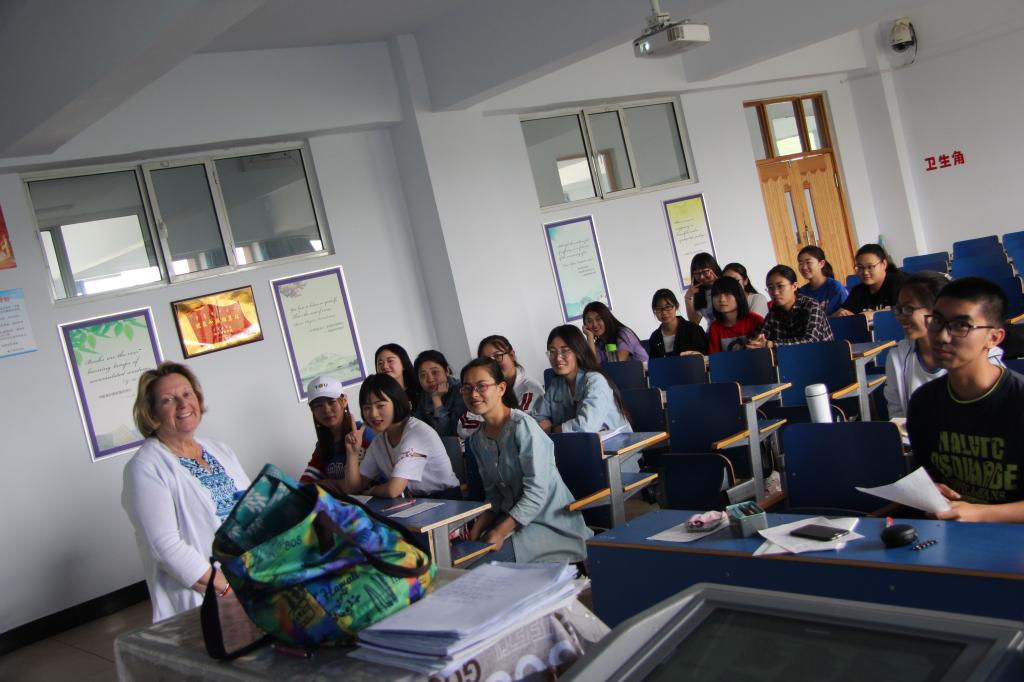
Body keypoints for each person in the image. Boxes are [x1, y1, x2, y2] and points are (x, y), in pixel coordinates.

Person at [122, 362, 251, 622]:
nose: (183, 404)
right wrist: (226, 588)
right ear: (152, 412)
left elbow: (254, 509)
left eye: (187, 393)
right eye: (168, 400)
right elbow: (165, 547)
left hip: (252, 581)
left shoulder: (219, 450)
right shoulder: (145, 467)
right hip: (205, 598)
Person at [907, 277, 1024, 522]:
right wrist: (928, 491)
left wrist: (980, 513)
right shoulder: (924, 402)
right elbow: (928, 474)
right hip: (948, 531)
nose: (942, 336)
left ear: (994, 338)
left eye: (961, 326)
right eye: (937, 321)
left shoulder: (1018, 400)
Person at [461, 358, 591, 563]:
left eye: (481, 386)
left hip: (548, 523)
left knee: (480, 566)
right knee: (463, 561)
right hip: (510, 521)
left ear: (501, 388)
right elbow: (494, 494)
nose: (473, 394)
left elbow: (537, 492)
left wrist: (500, 532)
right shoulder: (477, 440)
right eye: (467, 388)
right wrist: (476, 530)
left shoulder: (523, 427)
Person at [886, 272, 1003, 419]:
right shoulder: (897, 356)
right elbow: (897, 414)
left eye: (908, 309)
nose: (900, 316)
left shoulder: (981, 355)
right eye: (898, 309)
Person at [342, 373, 461, 499]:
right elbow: (353, 489)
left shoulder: (416, 433)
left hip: (447, 501)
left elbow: (393, 490)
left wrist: (372, 491)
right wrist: (352, 453)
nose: (373, 414)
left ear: (396, 402)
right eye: (367, 408)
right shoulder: (379, 441)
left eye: (380, 405)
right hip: (416, 502)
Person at [534, 325, 635, 469]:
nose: (557, 358)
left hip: (614, 461)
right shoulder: (557, 384)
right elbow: (538, 419)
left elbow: (585, 427)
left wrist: (552, 430)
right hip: (578, 455)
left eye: (565, 350)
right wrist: (548, 427)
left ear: (578, 351)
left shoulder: (595, 381)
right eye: (552, 352)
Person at [459, 335, 547, 440]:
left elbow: (521, 425)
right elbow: (463, 425)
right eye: (487, 360)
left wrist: (491, 424)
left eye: (498, 356)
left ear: (512, 355)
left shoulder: (530, 388)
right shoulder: (479, 391)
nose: (493, 364)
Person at [299, 375, 372, 483]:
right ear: (312, 410)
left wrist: (330, 485)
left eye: (331, 402)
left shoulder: (363, 433)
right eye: (319, 405)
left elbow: (372, 480)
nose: (326, 410)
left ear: (344, 400)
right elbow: (305, 483)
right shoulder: (321, 447)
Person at [748, 265, 834, 349]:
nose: (775, 292)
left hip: (821, 355)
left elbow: (811, 340)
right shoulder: (773, 312)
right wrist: (756, 343)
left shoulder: (811, 306)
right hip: (791, 357)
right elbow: (759, 336)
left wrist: (771, 344)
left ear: (794, 286)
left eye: (780, 286)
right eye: (770, 288)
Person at [836, 243, 906, 316]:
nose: (865, 272)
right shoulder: (858, 291)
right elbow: (842, 312)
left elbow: (904, 309)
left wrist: (872, 315)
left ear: (884, 264)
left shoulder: (901, 283)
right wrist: (842, 313)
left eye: (870, 267)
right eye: (860, 267)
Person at [412, 350, 465, 437]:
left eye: (435, 372)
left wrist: (436, 400)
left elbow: (449, 433)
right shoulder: (425, 395)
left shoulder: (461, 390)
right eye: (423, 375)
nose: (430, 379)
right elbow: (417, 427)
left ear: (447, 371)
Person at [707, 276, 764, 353]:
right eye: (716, 295)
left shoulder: (755, 320)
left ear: (738, 296)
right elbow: (715, 357)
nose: (722, 299)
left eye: (727, 294)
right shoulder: (714, 327)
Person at [647, 288, 708, 357]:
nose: (664, 312)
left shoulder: (694, 330)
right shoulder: (654, 337)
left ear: (676, 306)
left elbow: (706, 358)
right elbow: (654, 362)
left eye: (668, 307)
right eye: (658, 308)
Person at [582, 301, 649, 363]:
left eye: (598, 319)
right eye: (589, 321)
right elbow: (593, 365)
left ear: (606, 318)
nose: (594, 324)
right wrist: (589, 337)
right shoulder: (598, 344)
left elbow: (618, 362)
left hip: (644, 371)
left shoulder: (623, 333)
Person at [797, 245, 848, 315]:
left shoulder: (834, 287)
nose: (804, 267)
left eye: (808, 262)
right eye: (800, 263)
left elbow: (844, 315)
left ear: (821, 263)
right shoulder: (802, 292)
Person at [684, 252, 722, 328]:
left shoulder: (728, 284)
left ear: (714, 269)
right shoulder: (700, 293)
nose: (701, 277)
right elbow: (694, 322)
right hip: (713, 333)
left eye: (705, 271)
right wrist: (687, 298)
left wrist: (720, 284)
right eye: (697, 273)